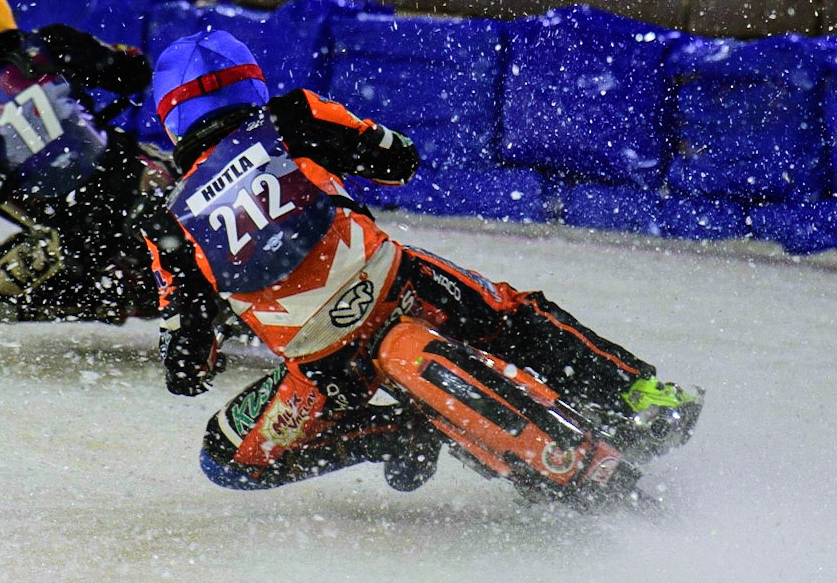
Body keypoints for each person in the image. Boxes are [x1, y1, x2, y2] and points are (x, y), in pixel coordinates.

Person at [141, 29, 702, 492]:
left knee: (227, 460)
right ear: (251, 83)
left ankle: (397, 433)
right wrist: (363, 148)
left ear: (170, 116)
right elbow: (397, 160)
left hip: (323, 368)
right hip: (400, 286)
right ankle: (637, 395)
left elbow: (186, 360)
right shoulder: (292, 116)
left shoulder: (168, 220)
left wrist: (202, 338)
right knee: (511, 315)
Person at [0, 0, 171, 325]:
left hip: (82, 238)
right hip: (137, 182)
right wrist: (119, 55)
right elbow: (134, 74)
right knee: (144, 163)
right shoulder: (51, 43)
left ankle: (121, 293)